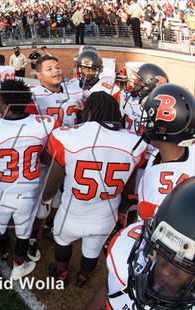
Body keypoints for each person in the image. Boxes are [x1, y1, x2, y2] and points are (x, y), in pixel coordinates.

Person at [42, 92, 147, 287]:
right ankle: (83, 277)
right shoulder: (135, 144)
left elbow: (52, 185)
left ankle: (62, 272)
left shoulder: (67, 136)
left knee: (62, 242)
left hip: (71, 212)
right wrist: (123, 209)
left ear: (89, 110)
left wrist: (46, 200)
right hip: (105, 215)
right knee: (92, 251)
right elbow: (129, 187)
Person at [0, 79, 56, 279]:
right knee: (23, 233)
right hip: (28, 192)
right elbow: (48, 157)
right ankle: (18, 267)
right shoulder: (44, 124)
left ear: (5, 106)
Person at [87, 177, 195, 310]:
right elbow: (109, 290)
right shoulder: (123, 261)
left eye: (184, 264)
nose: (166, 272)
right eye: (163, 250)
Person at [26, 55, 84, 261]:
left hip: (69, 155)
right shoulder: (33, 96)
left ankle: (50, 225)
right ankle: (32, 236)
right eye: (49, 69)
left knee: (62, 199)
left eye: (58, 67)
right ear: (39, 75)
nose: (56, 71)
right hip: (46, 158)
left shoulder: (74, 91)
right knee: (42, 202)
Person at [135, 84, 195, 220]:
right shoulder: (161, 153)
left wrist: (151, 210)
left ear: (162, 129)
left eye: (150, 120)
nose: (145, 124)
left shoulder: (157, 184)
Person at [120, 63, 169, 132]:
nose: (135, 81)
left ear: (150, 84)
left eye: (139, 80)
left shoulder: (158, 112)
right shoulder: (129, 97)